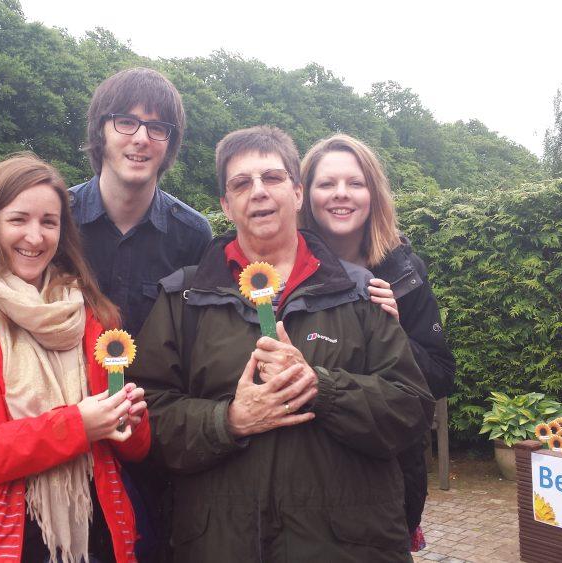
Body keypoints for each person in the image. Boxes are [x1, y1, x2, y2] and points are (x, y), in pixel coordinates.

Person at [130, 126, 434, 563]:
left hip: (346, 546)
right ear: (225, 205)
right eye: (241, 183)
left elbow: (411, 409)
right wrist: (228, 420)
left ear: (296, 193)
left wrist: (321, 388)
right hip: (221, 545)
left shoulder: (360, 292)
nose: (258, 192)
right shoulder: (184, 298)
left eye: (272, 178)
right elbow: (146, 417)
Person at [0, 153, 150, 562]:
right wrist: (74, 426)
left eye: (48, 222)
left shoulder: (91, 314)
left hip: (95, 536)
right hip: (1, 540)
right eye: (19, 220)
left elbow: (133, 449)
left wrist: (129, 419)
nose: (35, 237)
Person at [69, 67, 212, 561]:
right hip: (69, 439)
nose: (141, 138)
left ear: (169, 144)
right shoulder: (56, 222)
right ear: (100, 131)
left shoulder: (193, 236)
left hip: (157, 448)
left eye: (158, 128)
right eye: (125, 122)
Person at [299, 133, 457, 551]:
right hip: (302, 473)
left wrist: (395, 328)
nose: (341, 195)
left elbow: (440, 377)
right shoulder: (281, 269)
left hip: (385, 475)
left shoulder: (405, 270)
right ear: (305, 194)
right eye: (326, 184)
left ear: (373, 193)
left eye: (355, 183)